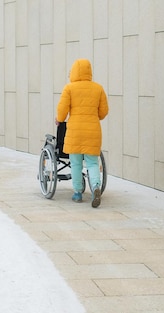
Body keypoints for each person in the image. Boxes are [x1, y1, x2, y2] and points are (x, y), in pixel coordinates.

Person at [55, 58, 109, 207]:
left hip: (75, 131)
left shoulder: (69, 88)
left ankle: (78, 193)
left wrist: (59, 119)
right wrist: (93, 116)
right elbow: (104, 111)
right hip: (93, 130)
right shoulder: (98, 88)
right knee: (92, 162)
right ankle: (96, 187)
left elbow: (62, 110)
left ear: (73, 72)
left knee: (76, 163)